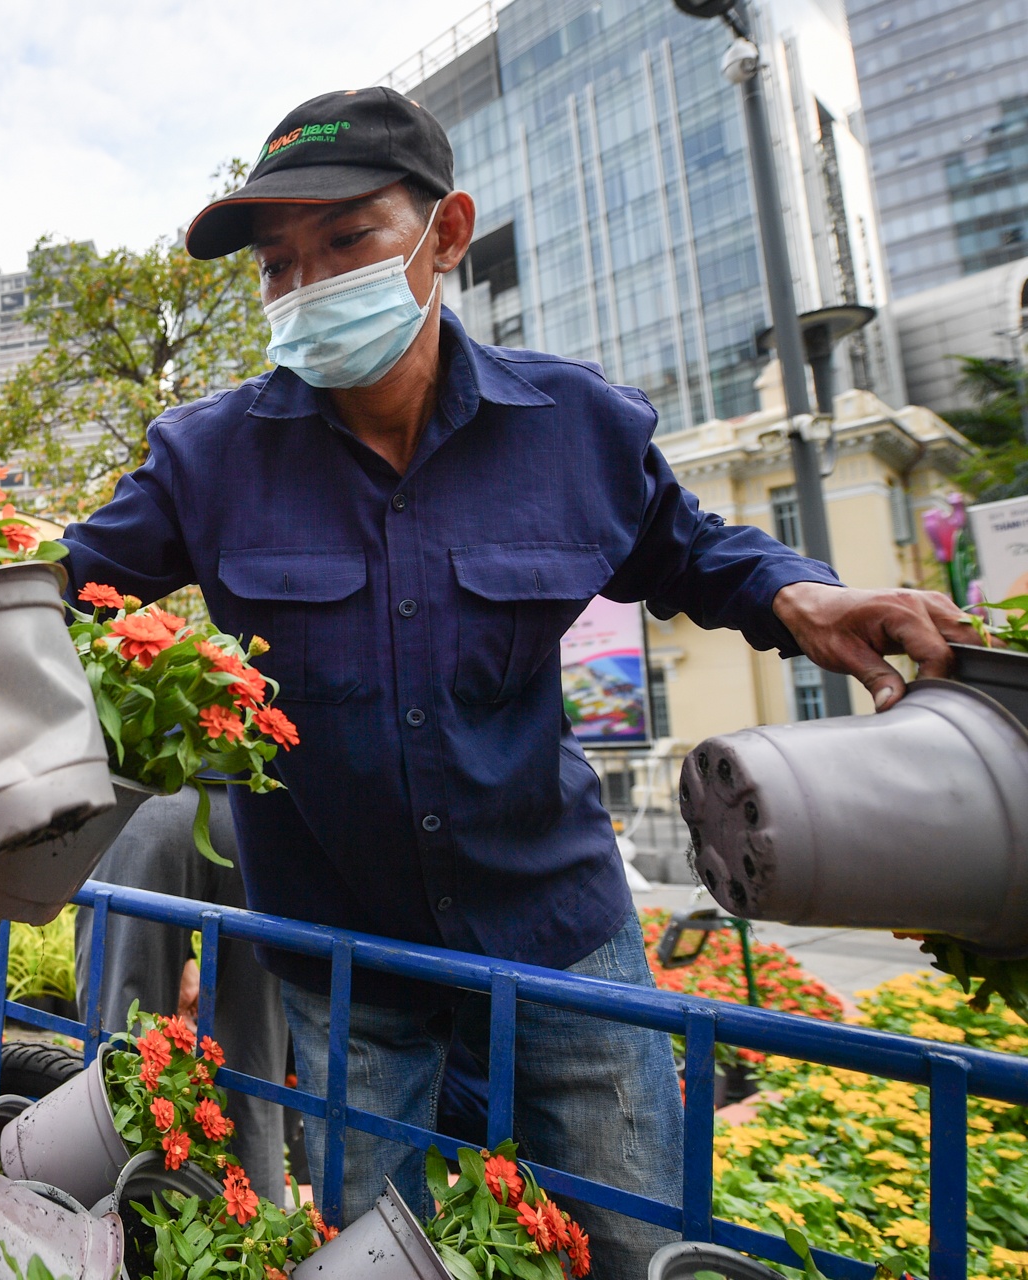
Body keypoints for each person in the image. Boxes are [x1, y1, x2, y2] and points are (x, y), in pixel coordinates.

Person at [58, 88, 979, 1280]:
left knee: (635, 1237)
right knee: (373, 1255)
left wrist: (804, 595)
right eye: (278, 267)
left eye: (345, 243)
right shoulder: (207, 456)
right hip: (345, 952)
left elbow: (692, 548)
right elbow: (56, 583)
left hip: (561, 932)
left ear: (446, 234)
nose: (306, 286)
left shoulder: (574, 426)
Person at [72, 785, 289, 1202]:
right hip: (262, 807)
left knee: (123, 1056)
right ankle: (255, 1244)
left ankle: (112, 1226)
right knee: (255, 1069)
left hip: (152, 794)